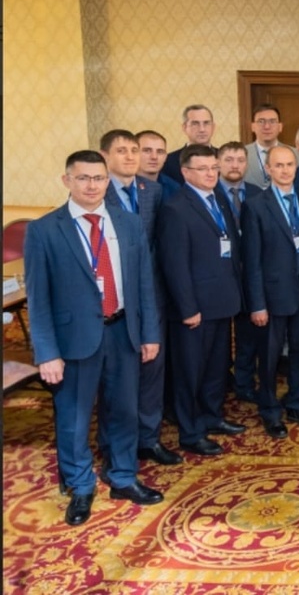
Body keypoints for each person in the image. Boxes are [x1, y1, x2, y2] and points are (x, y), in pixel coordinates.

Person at [26, 150, 164, 525]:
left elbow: (143, 284)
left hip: (123, 332)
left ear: (107, 180)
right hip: (73, 340)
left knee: (124, 410)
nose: (92, 185)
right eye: (83, 178)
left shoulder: (128, 223)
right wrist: (46, 353)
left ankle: (123, 476)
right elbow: (38, 299)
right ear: (67, 181)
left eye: (98, 178)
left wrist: (149, 333)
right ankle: (80, 485)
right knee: (74, 418)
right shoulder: (44, 230)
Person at [158, 144, 246, 456]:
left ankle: (211, 416)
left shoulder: (218, 198)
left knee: (216, 368)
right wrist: (188, 308)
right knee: (190, 373)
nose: (211, 174)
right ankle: (191, 432)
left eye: (213, 168)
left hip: (222, 301)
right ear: (185, 172)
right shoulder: (175, 208)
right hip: (194, 308)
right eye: (203, 169)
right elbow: (175, 265)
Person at [99, 129, 180, 467]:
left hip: (152, 295)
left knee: (152, 370)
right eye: (122, 151)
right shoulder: (97, 193)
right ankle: (116, 446)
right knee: (117, 377)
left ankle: (149, 438)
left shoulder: (153, 191)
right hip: (114, 300)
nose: (131, 157)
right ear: (105, 157)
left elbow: (160, 244)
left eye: (134, 150)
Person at [241, 146, 299, 438]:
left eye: (290, 165)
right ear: (269, 169)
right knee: (270, 357)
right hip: (272, 295)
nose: (285, 170)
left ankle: (297, 402)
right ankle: (270, 410)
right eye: (279, 165)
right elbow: (251, 260)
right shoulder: (255, 205)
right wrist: (257, 304)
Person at [216, 141, 263, 403]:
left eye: (240, 160)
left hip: (250, 273)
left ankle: (244, 383)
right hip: (221, 275)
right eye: (229, 160)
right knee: (220, 336)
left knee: (248, 334)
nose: (235, 165)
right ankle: (220, 381)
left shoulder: (257, 193)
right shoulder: (210, 193)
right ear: (218, 163)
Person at [241, 104, 296, 189]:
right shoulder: (242, 153)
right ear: (253, 127)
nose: (267, 126)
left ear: (280, 127)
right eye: (261, 121)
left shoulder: (295, 154)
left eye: (272, 121)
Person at [162, 104, 215, 185]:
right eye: (195, 124)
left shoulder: (224, 158)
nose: (202, 129)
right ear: (184, 127)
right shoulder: (169, 161)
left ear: (213, 127)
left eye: (206, 123)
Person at [136, 129, 181, 200]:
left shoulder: (174, 188)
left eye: (160, 152)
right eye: (147, 151)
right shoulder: (124, 184)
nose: (154, 157)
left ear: (165, 157)